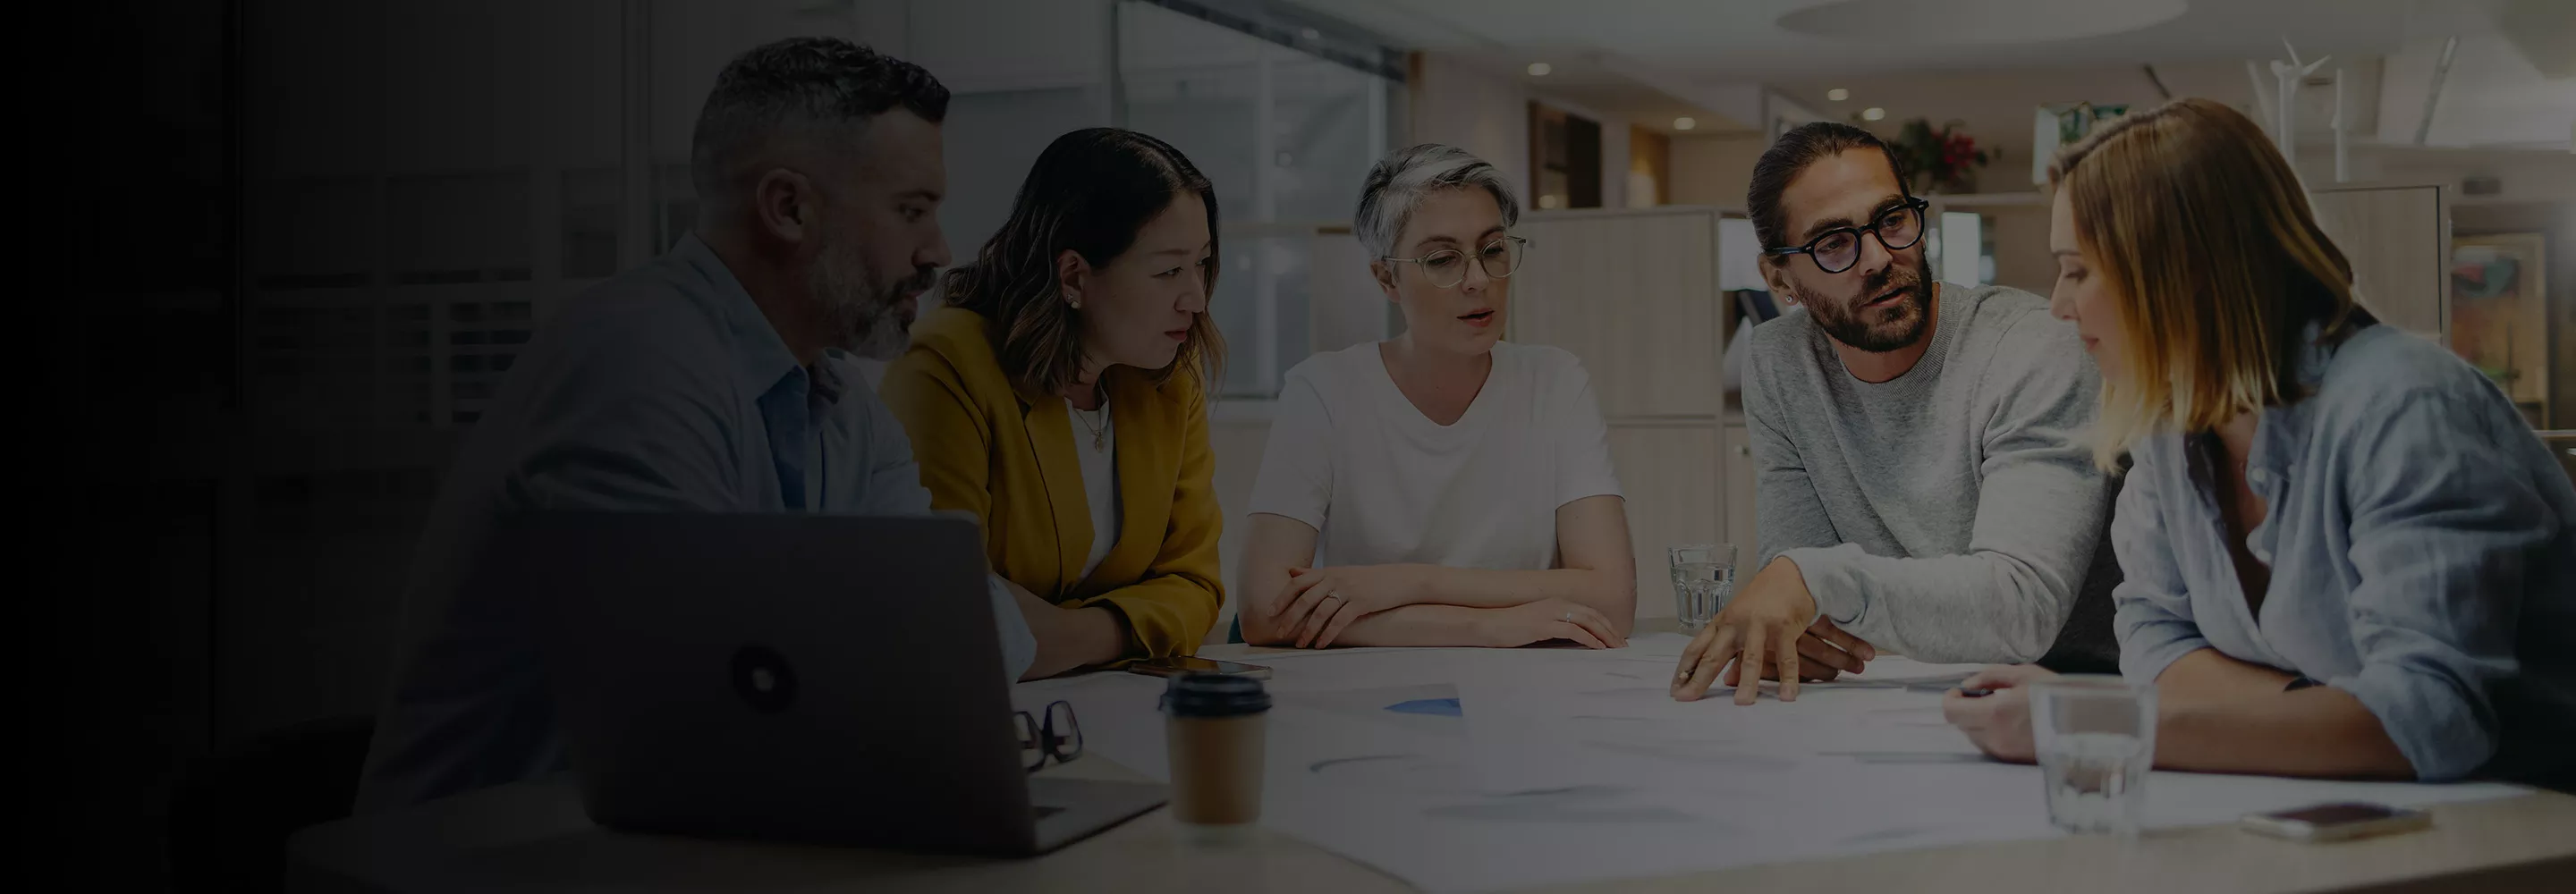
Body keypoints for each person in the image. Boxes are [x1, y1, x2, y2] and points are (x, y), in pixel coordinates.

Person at [353, 38, 1038, 811]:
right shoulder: (635, 362)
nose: (938, 250)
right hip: (494, 856)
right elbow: (710, 700)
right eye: (911, 211)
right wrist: (881, 636)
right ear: (788, 208)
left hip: (684, 839)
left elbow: (978, 636)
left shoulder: (838, 401)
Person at [1944, 98, 2576, 788]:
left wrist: (2094, 721)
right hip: (2353, 807)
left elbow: (2432, 719)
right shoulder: (2170, 431)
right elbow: (2152, 639)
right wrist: (2325, 717)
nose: (2059, 306)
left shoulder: (2407, 405)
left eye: (2077, 270)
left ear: (2180, 273)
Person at [1672, 122, 2121, 705]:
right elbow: (1804, 604)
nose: (1879, 258)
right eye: (1834, 243)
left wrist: (1816, 583)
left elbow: (2021, 609)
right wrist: (1805, 606)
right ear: (1779, 278)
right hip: (1897, 700)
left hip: (2074, 698)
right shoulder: (1780, 362)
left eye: (1891, 220)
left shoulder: (2030, 346)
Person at [1235, 143, 1634, 650]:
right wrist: (1485, 628)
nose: (1478, 280)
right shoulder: (1324, 391)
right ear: (1387, 278)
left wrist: (1408, 583)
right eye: (1443, 260)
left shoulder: (1556, 382)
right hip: (1369, 686)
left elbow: (1612, 600)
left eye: (1493, 250)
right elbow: (1263, 609)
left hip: (1528, 682)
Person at [878, 128, 1226, 674]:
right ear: (1073, 276)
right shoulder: (945, 365)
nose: (1197, 299)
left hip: (1112, 703)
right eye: (1168, 271)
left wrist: (1072, 635)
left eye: (1202, 263)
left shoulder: (1169, 377)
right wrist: (1139, 621)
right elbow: (947, 602)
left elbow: (1196, 583)